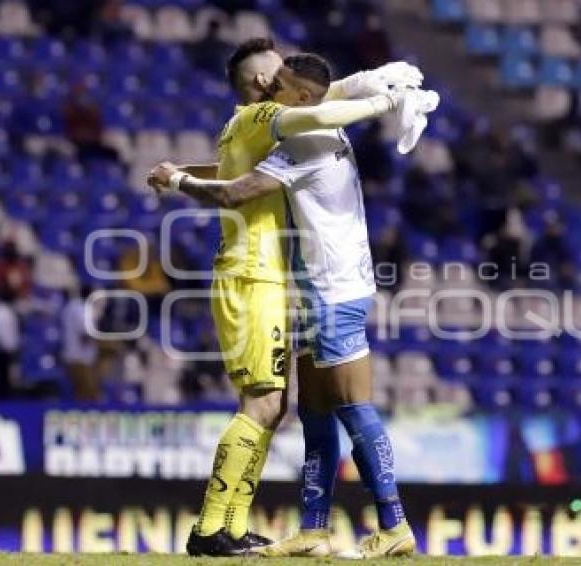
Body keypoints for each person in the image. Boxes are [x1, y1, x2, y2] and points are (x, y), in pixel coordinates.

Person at [149, 53, 435, 558]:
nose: (270, 87)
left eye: (279, 82)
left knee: (352, 406)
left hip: (332, 288)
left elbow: (237, 190)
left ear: (299, 96)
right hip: (310, 287)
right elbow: (329, 98)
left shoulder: (302, 139)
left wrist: (177, 182)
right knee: (314, 410)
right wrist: (375, 85)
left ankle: (394, 526)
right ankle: (314, 530)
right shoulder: (299, 124)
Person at [61, 286, 100, 402]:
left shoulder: (69, 307)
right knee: (88, 396)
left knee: (79, 394)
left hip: (72, 357)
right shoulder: (80, 309)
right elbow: (86, 334)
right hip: (81, 359)